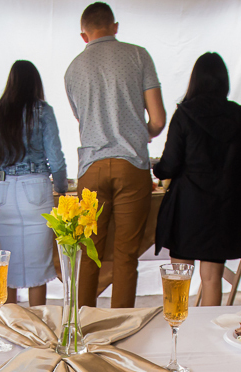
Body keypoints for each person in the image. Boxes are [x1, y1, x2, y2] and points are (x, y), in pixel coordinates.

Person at [65, 2, 165, 308]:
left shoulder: (72, 69)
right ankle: (121, 325)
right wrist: (142, 132)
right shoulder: (138, 55)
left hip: (90, 169)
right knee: (126, 255)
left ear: (84, 36)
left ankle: (82, 323)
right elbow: (158, 119)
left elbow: (83, 120)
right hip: (131, 165)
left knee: (88, 253)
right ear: (115, 27)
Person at [152, 53, 241, 306]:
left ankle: (176, 328)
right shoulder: (240, 116)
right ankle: (207, 331)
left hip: (187, 207)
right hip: (224, 207)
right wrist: (239, 175)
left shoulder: (184, 114)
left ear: (195, 81)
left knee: (178, 277)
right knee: (212, 279)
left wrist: (156, 168)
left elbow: (169, 165)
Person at [0, 60, 68, 307]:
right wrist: (61, 187)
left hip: (2, 190)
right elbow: (56, 157)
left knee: (6, 265)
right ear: (35, 83)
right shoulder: (42, 111)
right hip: (35, 187)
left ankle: (9, 323)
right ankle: (37, 323)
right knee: (37, 266)